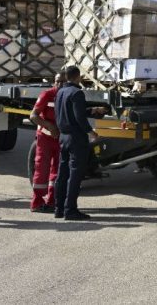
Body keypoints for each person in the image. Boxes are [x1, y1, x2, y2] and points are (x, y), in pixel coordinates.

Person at [54, 66, 99, 221]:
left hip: (63, 137)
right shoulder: (77, 93)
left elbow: (68, 112)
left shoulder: (60, 92)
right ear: (78, 77)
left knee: (63, 172)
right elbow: (79, 118)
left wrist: (91, 110)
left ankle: (59, 208)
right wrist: (90, 132)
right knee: (75, 174)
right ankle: (70, 209)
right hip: (76, 138)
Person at [28, 73, 64, 213]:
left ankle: (51, 201)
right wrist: (50, 126)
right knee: (41, 170)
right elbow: (33, 116)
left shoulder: (65, 95)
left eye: (63, 82)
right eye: (57, 81)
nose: (59, 85)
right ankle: (36, 203)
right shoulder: (46, 95)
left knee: (57, 170)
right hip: (45, 138)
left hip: (59, 139)